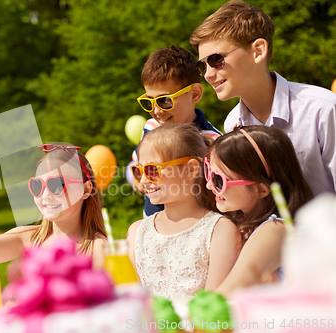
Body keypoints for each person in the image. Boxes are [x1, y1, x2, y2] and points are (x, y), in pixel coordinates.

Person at [190, 0, 336, 196]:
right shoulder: (233, 125)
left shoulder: (322, 108)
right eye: (203, 66)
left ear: (258, 51)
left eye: (215, 60)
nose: (207, 74)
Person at [127, 123, 239, 309]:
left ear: (190, 169)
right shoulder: (137, 231)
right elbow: (133, 304)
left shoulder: (220, 230)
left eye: (153, 170)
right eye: (139, 171)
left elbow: (212, 308)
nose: (144, 181)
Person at [203, 126, 313, 296]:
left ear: (261, 190)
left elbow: (223, 298)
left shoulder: (274, 229)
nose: (209, 185)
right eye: (208, 172)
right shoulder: (248, 226)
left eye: (219, 180)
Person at [133, 46, 222, 218]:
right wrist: (140, 180)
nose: (157, 111)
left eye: (165, 101)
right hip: (153, 226)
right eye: (149, 102)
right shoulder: (151, 127)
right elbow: (137, 166)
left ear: (194, 94)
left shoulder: (214, 142)